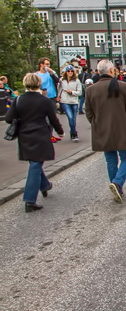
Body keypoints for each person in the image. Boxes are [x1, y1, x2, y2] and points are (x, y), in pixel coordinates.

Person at [85, 60, 126, 203]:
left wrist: (97, 124)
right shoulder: (121, 86)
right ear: (112, 71)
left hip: (103, 130)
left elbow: (88, 113)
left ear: (98, 72)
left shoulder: (90, 89)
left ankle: (117, 187)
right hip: (122, 128)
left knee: (110, 159)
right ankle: (117, 183)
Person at [6, 73, 64, 212]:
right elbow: (53, 118)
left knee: (35, 163)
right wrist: (60, 131)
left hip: (25, 136)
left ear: (25, 83)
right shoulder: (45, 101)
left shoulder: (19, 100)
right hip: (41, 135)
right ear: (38, 84)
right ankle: (30, 200)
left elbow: (9, 118)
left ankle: (44, 185)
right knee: (36, 164)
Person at [58, 65, 82, 142]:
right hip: (65, 101)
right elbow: (59, 89)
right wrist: (58, 96)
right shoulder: (62, 80)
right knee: (70, 117)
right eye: (68, 71)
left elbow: (80, 92)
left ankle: (72, 132)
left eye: (71, 71)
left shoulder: (77, 80)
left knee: (73, 118)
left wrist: (72, 92)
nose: (70, 72)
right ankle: (74, 134)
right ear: (66, 72)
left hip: (74, 101)